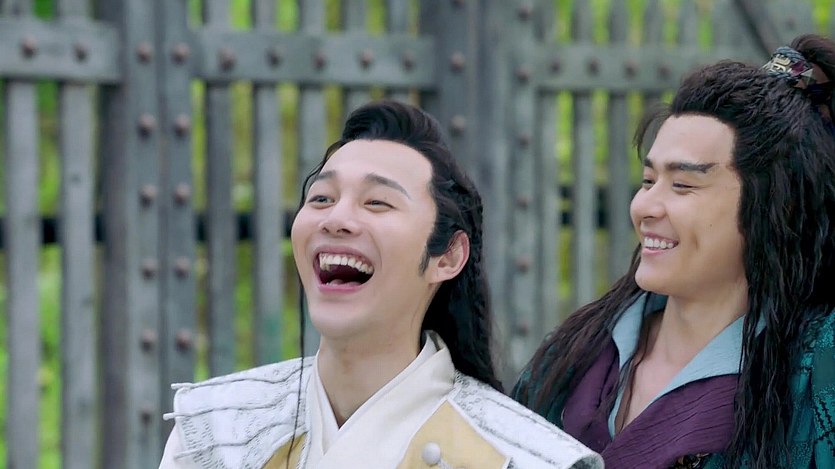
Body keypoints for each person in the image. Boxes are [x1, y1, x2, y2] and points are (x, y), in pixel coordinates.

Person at [158, 100, 602, 468]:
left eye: (376, 202)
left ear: (448, 256)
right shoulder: (214, 431)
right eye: (321, 198)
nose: (336, 219)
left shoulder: (523, 456)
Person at [513, 34, 835, 469]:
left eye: (683, 185)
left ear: (776, 206)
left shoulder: (816, 371)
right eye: (648, 181)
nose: (644, 207)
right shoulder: (571, 356)